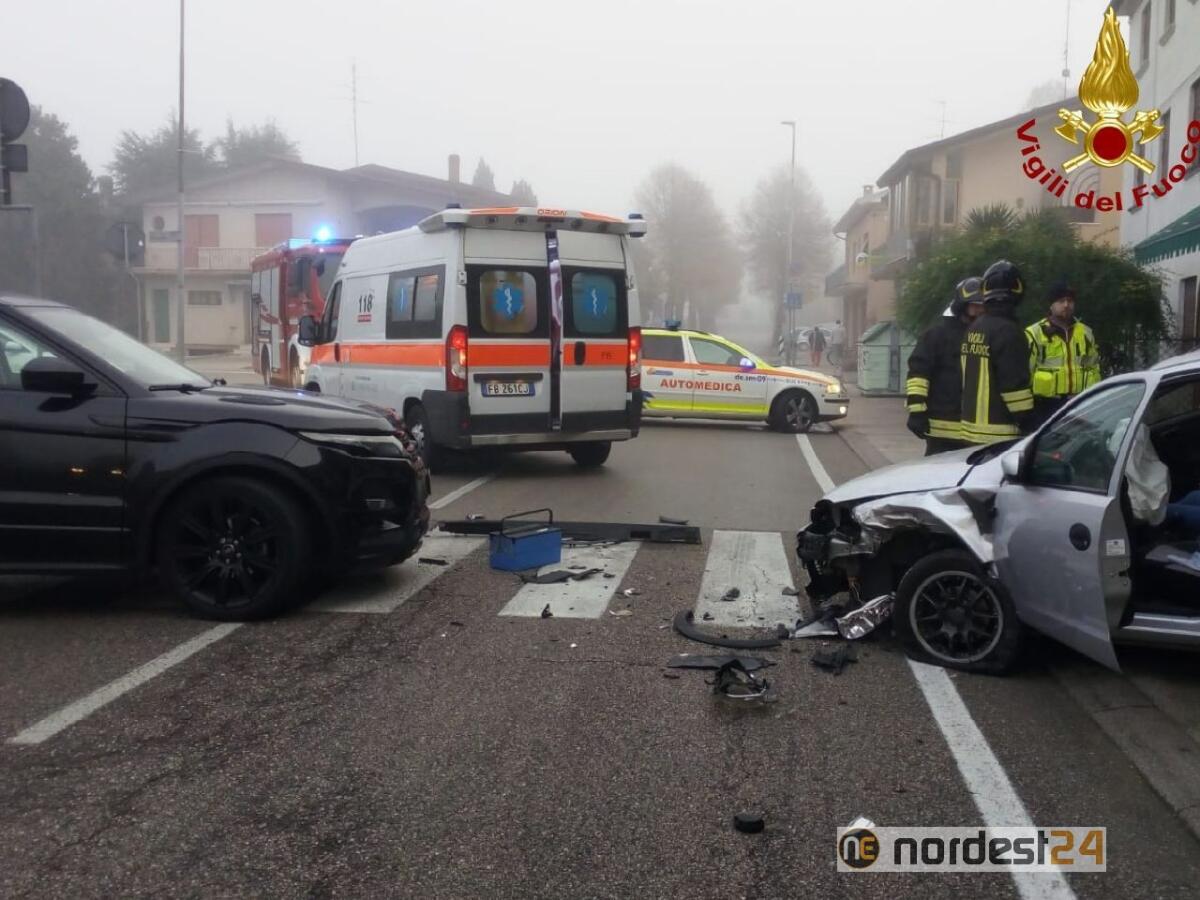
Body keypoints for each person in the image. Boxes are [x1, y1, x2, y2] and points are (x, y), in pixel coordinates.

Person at [960, 260, 1038, 445]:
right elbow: (1014, 390)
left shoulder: (974, 328)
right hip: (1000, 435)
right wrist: (1034, 426)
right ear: (1017, 291)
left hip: (970, 431)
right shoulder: (1009, 332)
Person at [906, 277, 983, 455]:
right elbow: (918, 374)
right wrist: (917, 411)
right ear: (962, 305)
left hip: (978, 431)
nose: (980, 310)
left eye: (983, 305)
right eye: (975, 305)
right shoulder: (937, 335)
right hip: (942, 428)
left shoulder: (990, 335)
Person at [1026, 279, 1102, 426]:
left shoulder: (1086, 333)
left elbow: (1094, 368)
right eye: (1061, 301)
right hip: (1046, 407)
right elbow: (1025, 374)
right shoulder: (1034, 333)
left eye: (1070, 301)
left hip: (1080, 404)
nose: (1066, 305)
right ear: (1051, 304)